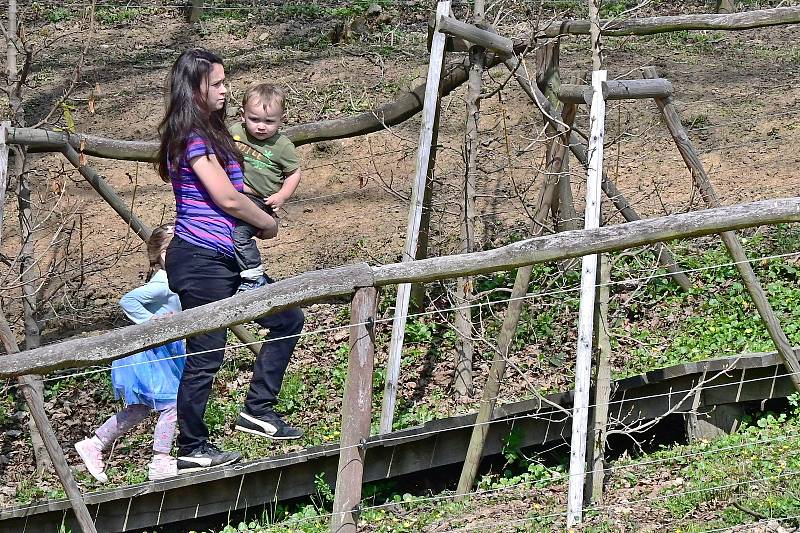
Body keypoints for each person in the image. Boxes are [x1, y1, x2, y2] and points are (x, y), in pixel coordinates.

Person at [157, 48, 305, 474]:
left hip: (224, 259)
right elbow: (225, 197)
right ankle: (191, 447)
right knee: (206, 353)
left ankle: (258, 409)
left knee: (286, 318)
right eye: (218, 83)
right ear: (196, 87)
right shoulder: (193, 138)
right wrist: (268, 224)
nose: (225, 90)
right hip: (201, 259)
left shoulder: (213, 132)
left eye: (225, 82)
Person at [75, 224, 185, 483]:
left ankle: (95, 443)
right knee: (172, 405)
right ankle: (160, 459)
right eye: (171, 249)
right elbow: (128, 300)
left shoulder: (175, 279)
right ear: (159, 255)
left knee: (139, 409)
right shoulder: (163, 282)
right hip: (153, 354)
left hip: (166, 352)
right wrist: (152, 322)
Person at [228, 83, 302, 292]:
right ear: (242, 115)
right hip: (235, 193)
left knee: (240, 235)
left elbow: (293, 173)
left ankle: (254, 277)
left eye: (269, 121)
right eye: (255, 119)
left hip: (261, 200)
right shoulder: (235, 132)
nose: (261, 126)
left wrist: (282, 196)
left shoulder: (282, 146)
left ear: (282, 119)